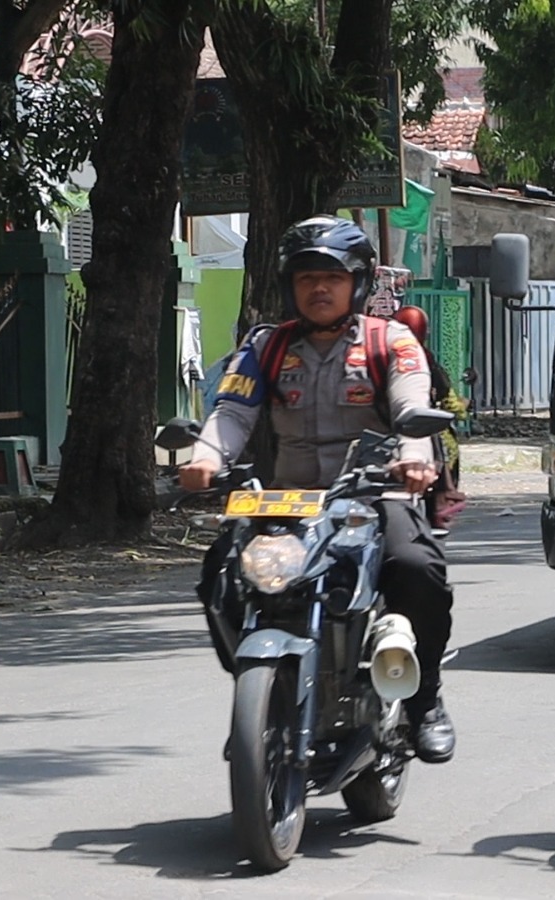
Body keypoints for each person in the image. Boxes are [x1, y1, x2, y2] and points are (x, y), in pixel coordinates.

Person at [179, 215, 457, 764]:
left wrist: (413, 458)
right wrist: (206, 456)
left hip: (373, 498)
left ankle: (425, 702)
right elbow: (233, 410)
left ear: (358, 283)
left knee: (417, 568)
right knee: (220, 576)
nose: (319, 288)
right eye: (306, 278)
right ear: (289, 285)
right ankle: (261, 695)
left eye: (332, 277)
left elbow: (410, 406)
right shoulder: (265, 346)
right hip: (286, 503)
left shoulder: (391, 341)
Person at [391, 305, 468, 529]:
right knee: (442, 441)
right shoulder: (428, 362)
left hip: (387, 434)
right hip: (424, 431)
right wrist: (462, 408)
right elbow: (452, 405)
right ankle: (445, 494)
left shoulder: (382, 355)